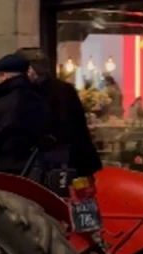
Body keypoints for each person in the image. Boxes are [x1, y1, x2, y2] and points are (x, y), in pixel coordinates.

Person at [15, 47, 103, 177]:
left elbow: (62, 129)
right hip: (76, 161)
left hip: (58, 164)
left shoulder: (34, 93)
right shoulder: (63, 89)